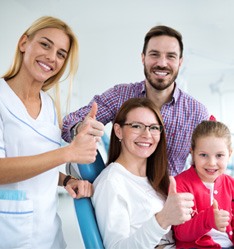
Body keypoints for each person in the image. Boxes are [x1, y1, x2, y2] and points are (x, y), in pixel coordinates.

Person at [0, 16, 101, 249]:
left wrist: (66, 179)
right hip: (5, 233)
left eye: (61, 54)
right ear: (24, 43)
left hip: (49, 233)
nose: (52, 57)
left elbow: (38, 164)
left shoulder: (49, 106)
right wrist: (69, 153)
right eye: (45, 45)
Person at [61, 25, 210, 176]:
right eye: (154, 54)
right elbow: (68, 123)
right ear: (143, 58)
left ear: (180, 61)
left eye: (170, 56)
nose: (162, 63)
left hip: (169, 195)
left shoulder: (197, 112)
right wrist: (79, 128)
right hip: (121, 191)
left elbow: (206, 162)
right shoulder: (120, 95)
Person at [91, 98, 194, 248]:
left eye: (153, 128)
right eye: (136, 126)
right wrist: (162, 219)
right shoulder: (111, 182)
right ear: (118, 131)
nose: (147, 135)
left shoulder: (155, 178)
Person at [173, 120, 234, 248]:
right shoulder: (180, 184)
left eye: (219, 155)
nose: (212, 162)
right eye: (203, 155)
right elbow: (180, 233)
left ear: (229, 154)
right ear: (192, 153)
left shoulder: (230, 183)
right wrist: (209, 219)